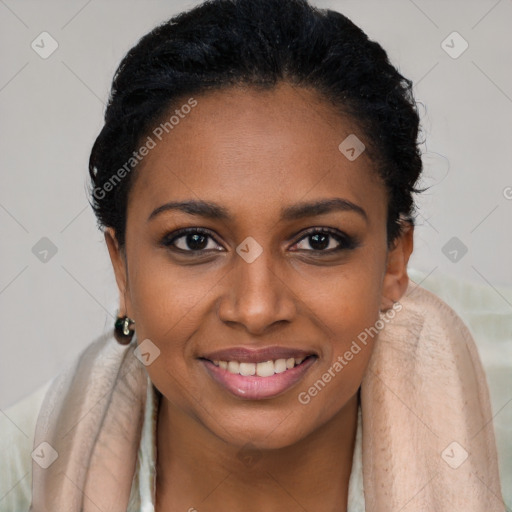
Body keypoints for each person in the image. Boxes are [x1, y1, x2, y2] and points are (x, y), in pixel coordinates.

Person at [0, 0, 505, 511]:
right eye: (195, 241)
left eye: (318, 240)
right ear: (122, 267)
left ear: (394, 260)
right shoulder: (26, 470)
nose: (257, 309)